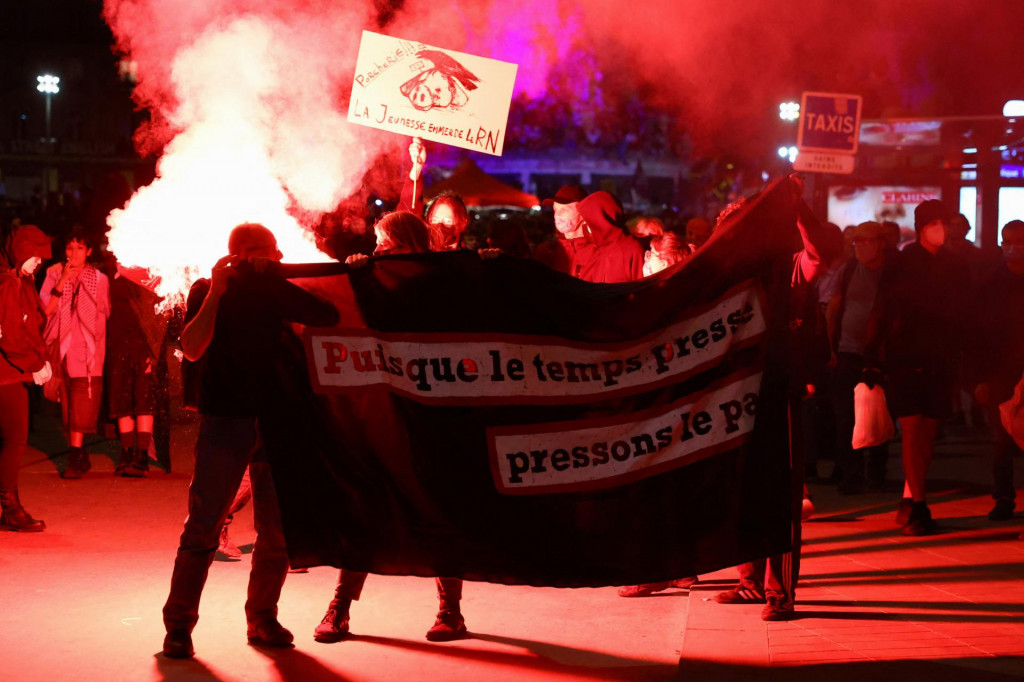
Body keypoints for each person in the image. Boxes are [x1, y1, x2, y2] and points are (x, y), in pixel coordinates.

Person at [161, 223, 339, 659]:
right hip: (226, 420)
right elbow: (192, 346)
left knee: (276, 531)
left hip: (278, 420)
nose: (275, 256)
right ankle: (179, 626)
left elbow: (329, 313)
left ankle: (262, 617)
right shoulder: (208, 288)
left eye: (277, 251)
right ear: (240, 254)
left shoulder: (277, 287)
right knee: (203, 525)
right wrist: (220, 289)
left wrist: (315, 275)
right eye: (266, 251)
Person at [316, 211, 472, 644]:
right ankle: (340, 608)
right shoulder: (375, 277)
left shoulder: (448, 281)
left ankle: (450, 610)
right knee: (368, 502)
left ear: (408, 244)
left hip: (434, 410)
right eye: (379, 242)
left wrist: (488, 266)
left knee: (439, 505)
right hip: (385, 407)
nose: (379, 249)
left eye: (387, 242)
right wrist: (352, 279)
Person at [712, 179, 842, 620]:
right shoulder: (728, 274)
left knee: (778, 492)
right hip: (736, 397)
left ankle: (778, 591)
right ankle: (747, 580)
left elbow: (819, 252)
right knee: (740, 490)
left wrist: (798, 207)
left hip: (777, 392)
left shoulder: (789, 265)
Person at [879, 200, 969, 535]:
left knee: (927, 434)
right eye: (934, 224)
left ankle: (912, 496)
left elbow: (963, 312)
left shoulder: (954, 265)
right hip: (908, 357)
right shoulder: (903, 263)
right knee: (913, 431)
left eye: (944, 223)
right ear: (920, 228)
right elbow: (886, 310)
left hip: (939, 358)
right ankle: (918, 504)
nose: (941, 230)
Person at [825, 221, 893, 494]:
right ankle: (851, 475)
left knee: (880, 416)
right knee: (845, 418)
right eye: (857, 242)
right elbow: (834, 308)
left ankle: (876, 473)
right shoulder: (850, 269)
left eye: (868, 241)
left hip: (879, 355)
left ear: (881, 242)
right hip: (848, 352)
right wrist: (831, 348)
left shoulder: (892, 272)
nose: (862, 247)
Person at [40, 229, 110, 479]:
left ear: (89, 251)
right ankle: (77, 453)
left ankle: (75, 454)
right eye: (70, 248)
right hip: (61, 348)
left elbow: (104, 313)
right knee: (67, 403)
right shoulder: (53, 273)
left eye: (80, 248)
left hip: (88, 351)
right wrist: (62, 282)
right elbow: (45, 310)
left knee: (82, 400)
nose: (74, 253)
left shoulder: (99, 279)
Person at [970, 220, 1024, 521]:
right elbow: (979, 337)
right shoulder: (991, 286)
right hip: (1000, 372)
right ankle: (1003, 496)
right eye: (1009, 242)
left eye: (1020, 242)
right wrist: (980, 378)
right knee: (1001, 439)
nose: (1014, 248)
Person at [0, 225, 52, 532]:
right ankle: (10, 508)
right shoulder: (8, 282)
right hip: (7, 375)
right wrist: (35, 364)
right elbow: (11, 335)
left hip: (10, 373)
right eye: (34, 256)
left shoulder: (16, 280)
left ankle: (10, 507)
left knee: (9, 441)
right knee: (14, 441)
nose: (38, 262)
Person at [105, 260, 165, 477]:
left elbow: (157, 317)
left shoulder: (150, 274)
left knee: (143, 401)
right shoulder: (112, 273)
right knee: (121, 401)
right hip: (118, 345)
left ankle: (141, 456)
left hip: (143, 346)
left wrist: (153, 352)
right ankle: (126, 452)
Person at [400, 137, 471, 252]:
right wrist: (417, 167)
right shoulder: (422, 254)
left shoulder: (469, 260)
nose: (439, 226)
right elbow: (407, 213)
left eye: (448, 221)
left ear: (462, 223)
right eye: (434, 220)